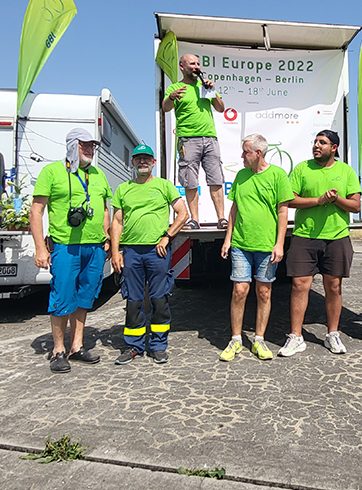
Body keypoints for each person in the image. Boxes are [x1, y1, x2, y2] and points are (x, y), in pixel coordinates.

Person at [30, 128, 112, 373]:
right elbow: (36, 211)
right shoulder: (52, 172)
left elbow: (104, 209)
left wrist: (107, 237)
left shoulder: (97, 174)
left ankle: (77, 346)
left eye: (92, 146)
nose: (90, 150)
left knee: (85, 296)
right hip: (65, 246)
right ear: (71, 145)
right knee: (62, 296)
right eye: (84, 145)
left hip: (94, 246)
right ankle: (58, 349)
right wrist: (40, 248)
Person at [279, 130, 361, 356]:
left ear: (334, 148)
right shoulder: (302, 169)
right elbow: (289, 199)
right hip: (304, 236)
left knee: (333, 287)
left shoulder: (346, 171)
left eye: (322, 142)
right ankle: (296, 337)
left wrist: (336, 199)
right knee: (299, 286)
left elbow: (356, 206)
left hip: (337, 237)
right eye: (315, 142)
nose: (316, 145)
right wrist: (318, 200)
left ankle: (332, 334)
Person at [110, 144, 188, 365]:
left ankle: (158, 346)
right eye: (138, 158)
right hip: (131, 252)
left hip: (157, 251)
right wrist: (115, 252)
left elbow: (183, 213)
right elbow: (117, 222)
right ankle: (134, 346)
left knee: (159, 299)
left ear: (154, 162)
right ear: (132, 162)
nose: (142, 162)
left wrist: (167, 237)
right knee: (133, 300)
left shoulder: (164, 186)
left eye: (146, 158)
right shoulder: (123, 189)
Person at [219, 134, 293, 361]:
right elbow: (234, 209)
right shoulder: (241, 176)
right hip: (241, 244)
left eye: (246, 152)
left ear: (258, 153)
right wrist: (228, 239)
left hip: (267, 245)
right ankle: (236, 339)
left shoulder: (278, 175)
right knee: (240, 290)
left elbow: (283, 211)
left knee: (264, 292)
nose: (242, 156)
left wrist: (280, 243)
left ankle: (259, 340)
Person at [161, 53, 226, 229]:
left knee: (216, 178)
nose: (196, 66)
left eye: (198, 63)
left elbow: (221, 108)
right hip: (188, 139)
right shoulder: (175, 87)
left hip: (210, 138)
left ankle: (221, 218)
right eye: (192, 64)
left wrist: (212, 91)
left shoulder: (204, 86)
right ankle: (195, 219)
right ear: (182, 67)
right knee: (190, 180)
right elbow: (165, 108)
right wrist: (171, 97)